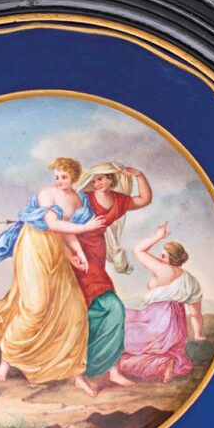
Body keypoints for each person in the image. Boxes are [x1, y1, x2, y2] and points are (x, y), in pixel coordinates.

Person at [0, 157, 107, 397]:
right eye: (57, 176)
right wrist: (85, 228)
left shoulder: (78, 199)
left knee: (73, 309)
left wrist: (78, 253)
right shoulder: (46, 194)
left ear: (74, 177)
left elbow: (66, 232)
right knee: (36, 307)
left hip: (57, 248)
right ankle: (6, 360)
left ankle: (77, 376)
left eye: (64, 177)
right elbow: (52, 224)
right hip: (33, 247)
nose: (59, 180)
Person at [73, 162, 152, 387]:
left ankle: (113, 370)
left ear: (111, 179)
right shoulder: (83, 198)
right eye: (94, 179)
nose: (96, 183)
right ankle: (78, 373)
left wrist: (140, 175)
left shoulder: (119, 200)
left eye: (101, 178)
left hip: (96, 252)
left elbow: (144, 199)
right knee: (81, 310)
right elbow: (60, 224)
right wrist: (73, 252)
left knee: (113, 309)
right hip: (77, 253)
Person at [118, 221, 205, 383]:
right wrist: (198, 334)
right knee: (124, 319)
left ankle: (162, 363)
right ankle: (164, 361)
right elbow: (195, 313)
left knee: (119, 332)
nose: (159, 258)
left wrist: (157, 237)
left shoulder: (164, 269)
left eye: (163, 255)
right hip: (176, 328)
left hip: (157, 321)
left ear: (172, 259)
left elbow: (138, 250)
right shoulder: (190, 280)